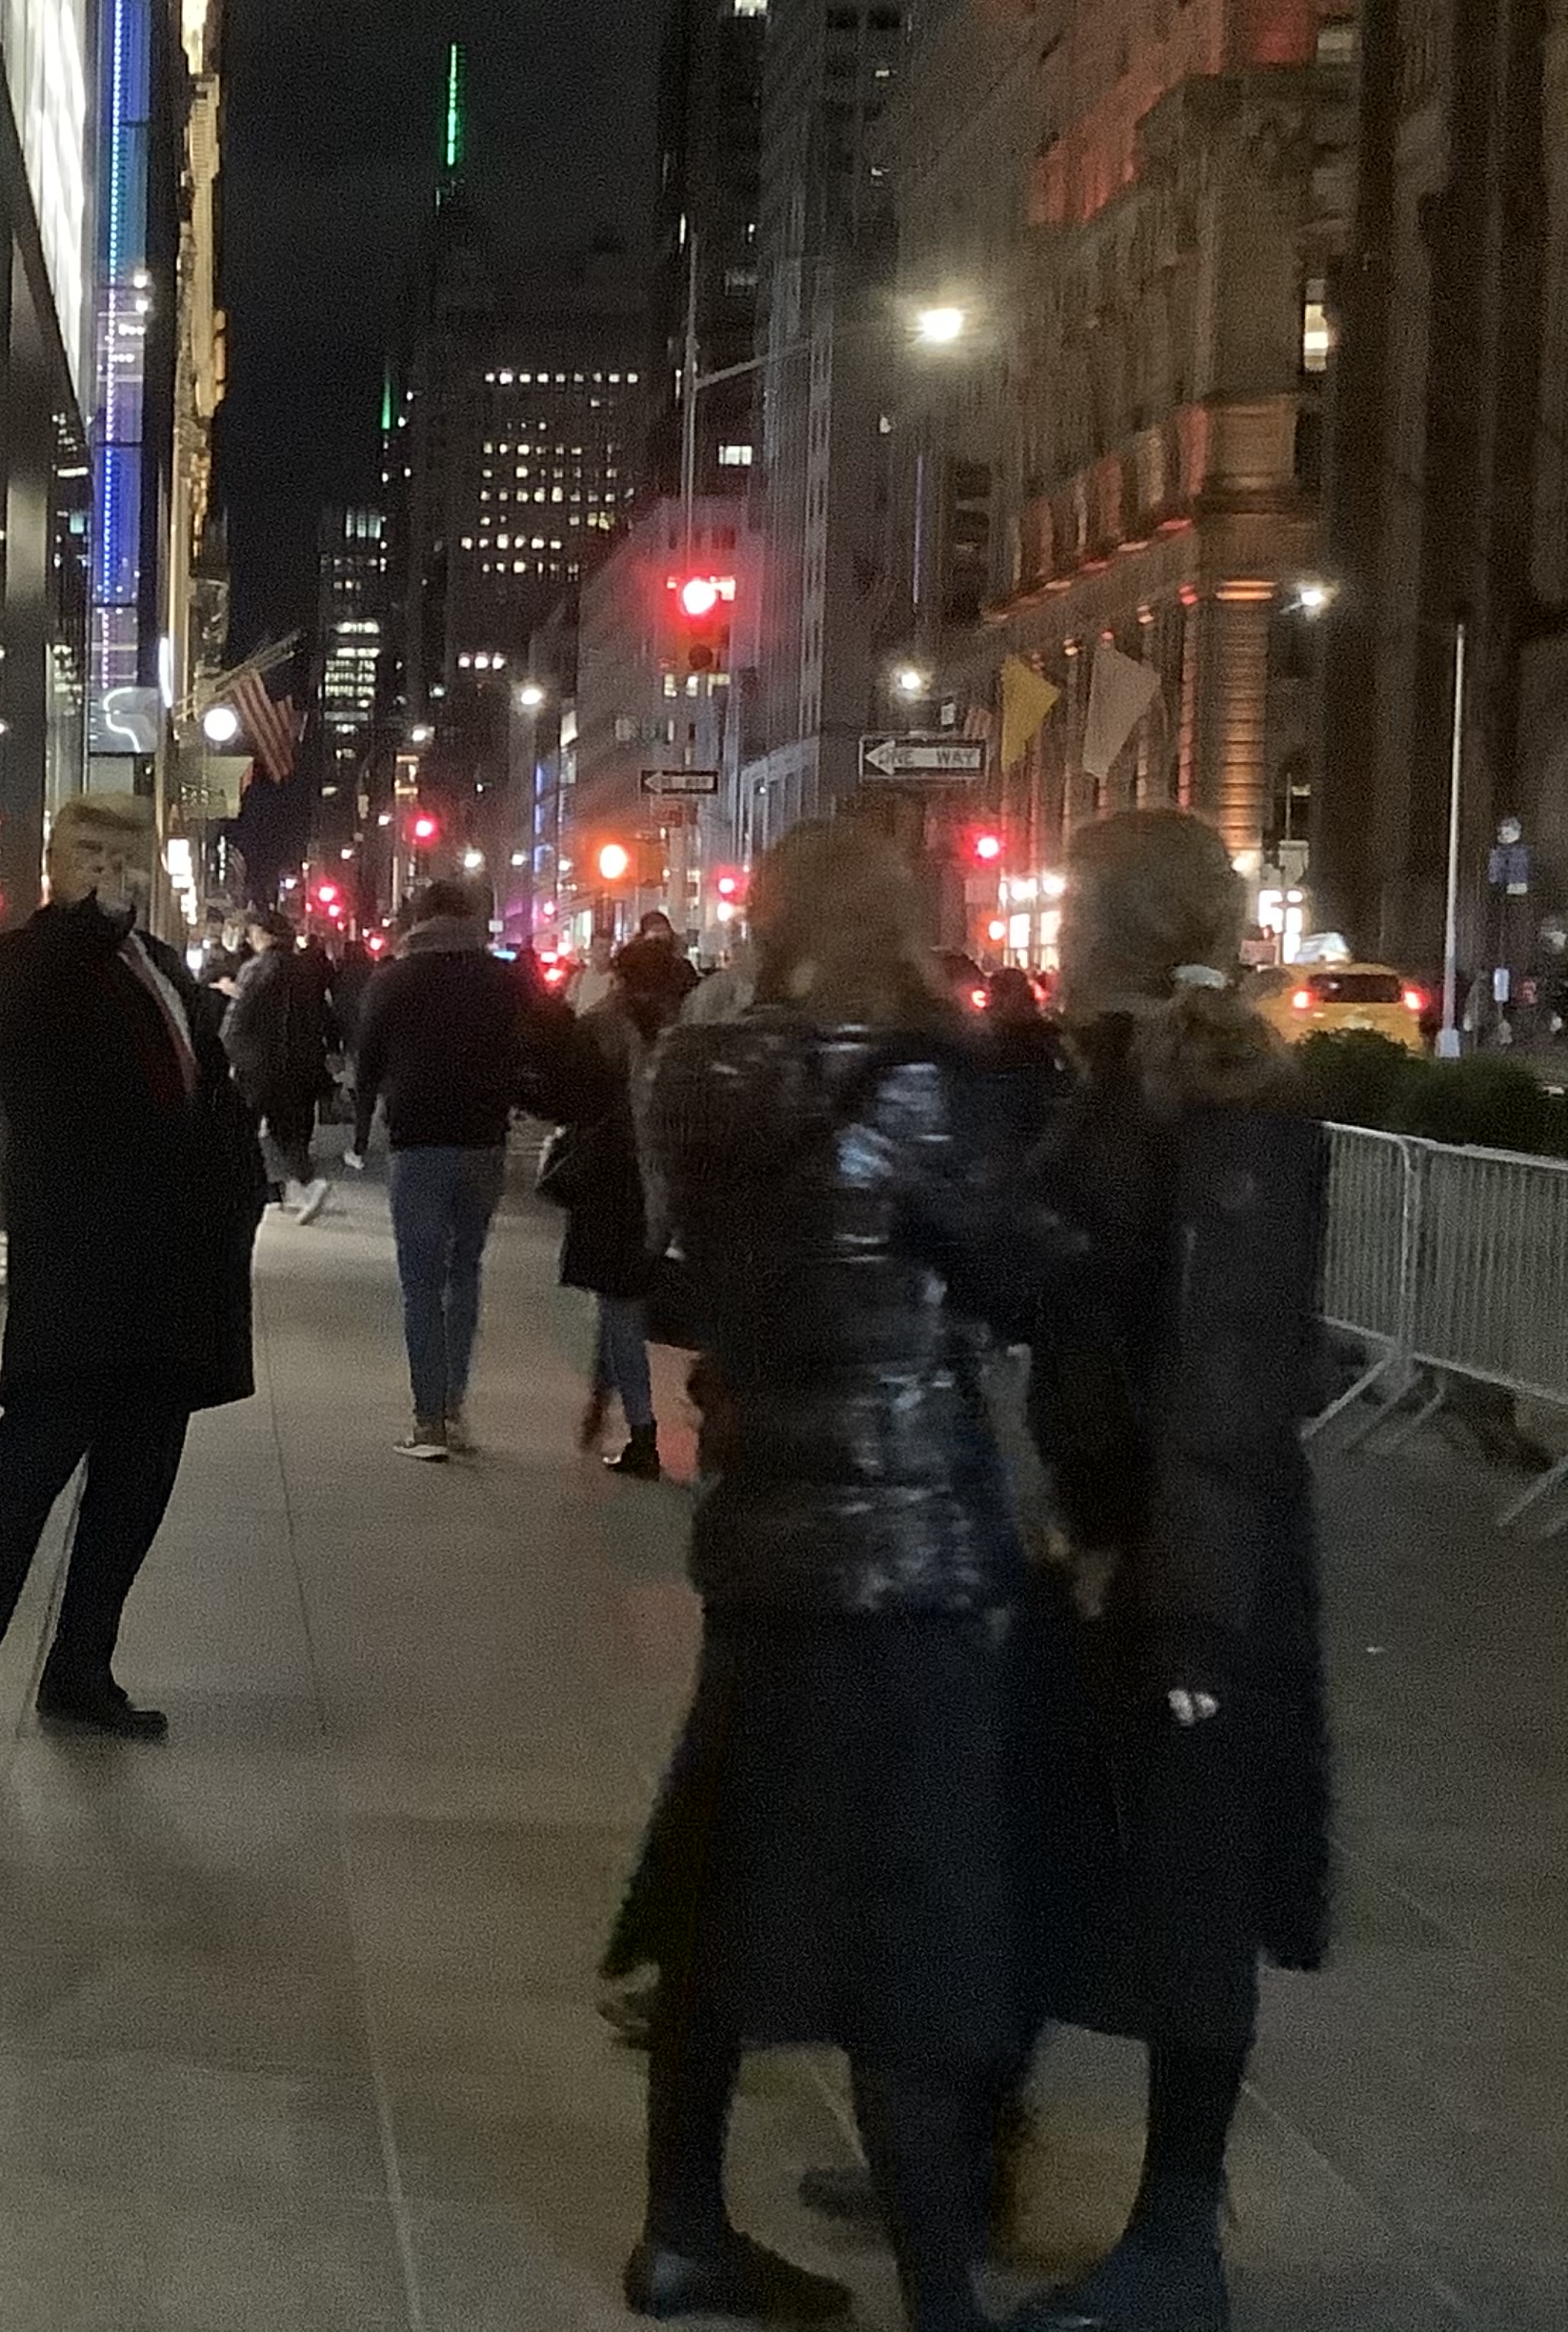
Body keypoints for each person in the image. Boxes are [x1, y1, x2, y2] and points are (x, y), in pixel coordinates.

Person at [608, 819, 1033, 2332]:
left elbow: (694, 1268)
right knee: (912, 1920)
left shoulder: (698, 1075)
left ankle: (681, 2227)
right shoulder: (926, 1083)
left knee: (724, 1884)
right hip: (904, 1547)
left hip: (763, 1541)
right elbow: (1018, 1270)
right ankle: (941, 2295)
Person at [1015, 811, 1333, 2332]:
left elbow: (1229, 1363)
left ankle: (1176, 2237)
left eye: (1079, 907)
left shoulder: (1226, 1099)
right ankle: (980, 2128)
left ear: (1123, 926)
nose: (1060, 930)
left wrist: (1190, 1607)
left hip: (1188, 1561)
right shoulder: (1119, 1073)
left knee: (1192, 1885)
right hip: (1107, 1534)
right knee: (1038, 1833)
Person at [0, 793, 266, 1748]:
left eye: (125, 853)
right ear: (55, 863)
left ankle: (81, 1668)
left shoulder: (164, 969)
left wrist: (238, 1188)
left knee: (133, 1492)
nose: (111, 869)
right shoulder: (22, 961)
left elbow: (203, 1086)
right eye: (91, 851)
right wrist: (86, 925)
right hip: (80, 1274)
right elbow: (25, 1021)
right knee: (20, 1484)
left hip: (173, 1276)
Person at [347, 879, 566, 1460]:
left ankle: (428, 1423)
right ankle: (454, 1408)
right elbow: (543, 1039)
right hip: (483, 1140)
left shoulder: (393, 979)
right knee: (463, 1272)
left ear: (418, 919)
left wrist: (362, 1133)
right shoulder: (502, 979)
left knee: (419, 1283)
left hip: (417, 1140)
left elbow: (367, 1060)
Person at [549, 935, 685, 1480]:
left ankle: (642, 1432)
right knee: (619, 1304)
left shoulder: (599, 1029)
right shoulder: (680, 1037)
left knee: (620, 1309)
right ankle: (603, 1401)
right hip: (660, 1185)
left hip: (610, 1184)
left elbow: (569, 1102)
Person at [223, 908, 338, 1225]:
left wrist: (228, 1052)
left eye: (251, 933)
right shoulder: (303, 969)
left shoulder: (256, 968)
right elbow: (320, 1013)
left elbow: (239, 1019)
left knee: (247, 1128)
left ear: (262, 934)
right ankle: (297, 1186)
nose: (249, 939)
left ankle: (271, 1189)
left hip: (258, 1061)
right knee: (285, 1129)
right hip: (297, 1061)